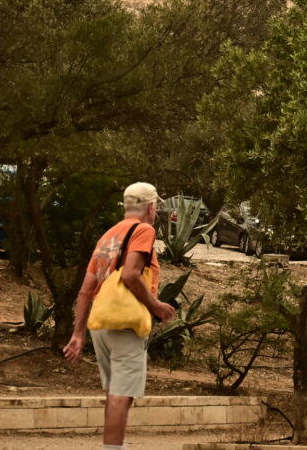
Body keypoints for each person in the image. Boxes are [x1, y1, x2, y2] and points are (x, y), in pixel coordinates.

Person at [63, 182, 177, 450]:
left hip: (101, 323)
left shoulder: (108, 236)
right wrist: (157, 305)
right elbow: (129, 275)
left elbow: (85, 291)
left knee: (115, 392)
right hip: (125, 321)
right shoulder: (144, 230)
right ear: (151, 207)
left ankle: (115, 444)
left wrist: (78, 334)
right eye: (156, 206)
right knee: (121, 394)